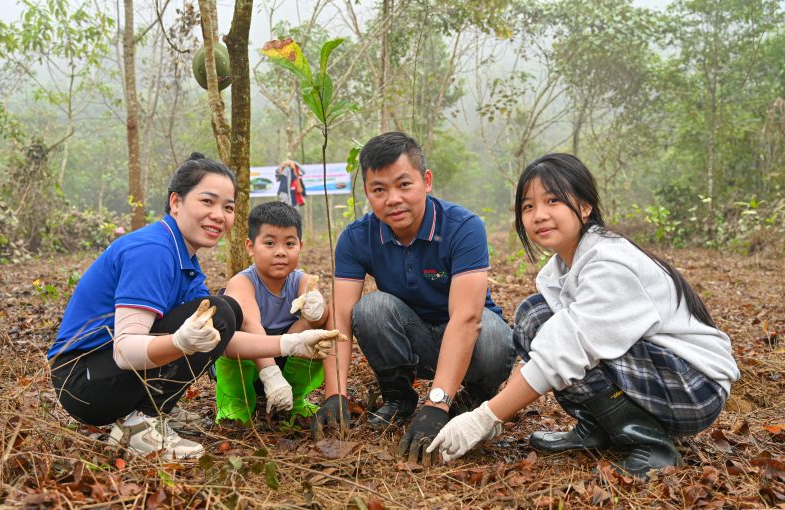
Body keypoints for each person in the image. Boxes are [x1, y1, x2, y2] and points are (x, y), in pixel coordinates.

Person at [427, 153, 740, 478]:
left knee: (564, 342)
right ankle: (598, 428)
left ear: (585, 206)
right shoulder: (562, 268)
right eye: (528, 206)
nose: (539, 215)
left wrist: (486, 417)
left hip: (694, 386)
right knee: (535, 316)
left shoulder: (608, 262)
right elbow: (549, 348)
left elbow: (563, 351)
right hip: (660, 371)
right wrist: (495, 408)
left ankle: (653, 447)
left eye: (553, 200)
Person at [48, 153, 340, 459]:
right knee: (221, 310)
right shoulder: (152, 250)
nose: (219, 215)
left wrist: (292, 343)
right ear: (176, 202)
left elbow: (223, 339)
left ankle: (151, 411)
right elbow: (124, 350)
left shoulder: (183, 258)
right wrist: (178, 342)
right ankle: (140, 425)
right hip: (85, 382)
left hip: (104, 376)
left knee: (220, 313)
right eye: (207, 201)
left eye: (228, 207)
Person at [313, 131, 515, 465]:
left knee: (495, 335)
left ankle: (472, 400)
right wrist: (336, 393)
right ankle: (399, 398)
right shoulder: (357, 237)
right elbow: (341, 318)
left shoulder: (463, 227)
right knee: (371, 308)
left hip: (469, 340)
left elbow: (467, 318)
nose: (393, 199)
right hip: (414, 337)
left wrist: (436, 405)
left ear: (426, 181)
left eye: (404, 185)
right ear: (367, 193)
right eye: (379, 189)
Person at [215, 201, 330, 425]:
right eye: (269, 243)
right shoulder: (242, 282)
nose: (280, 252)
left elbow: (322, 318)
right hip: (249, 363)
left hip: (287, 362)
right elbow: (251, 326)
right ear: (250, 247)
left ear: (300, 246)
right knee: (230, 336)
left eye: (289, 243)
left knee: (319, 333)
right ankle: (235, 406)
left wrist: (317, 310)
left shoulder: (302, 281)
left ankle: (295, 399)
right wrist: (271, 376)